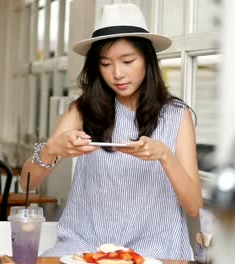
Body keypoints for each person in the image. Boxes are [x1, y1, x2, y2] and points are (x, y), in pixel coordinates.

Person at [20, 3, 202, 260]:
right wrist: (52, 149)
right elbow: (27, 182)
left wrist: (164, 156)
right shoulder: (82, 111)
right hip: (83, 248)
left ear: (147, 60)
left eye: (127, 61)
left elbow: (194, 207)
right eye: (106, 64)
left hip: (155, 248)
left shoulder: (176, 115)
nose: (117, 74)